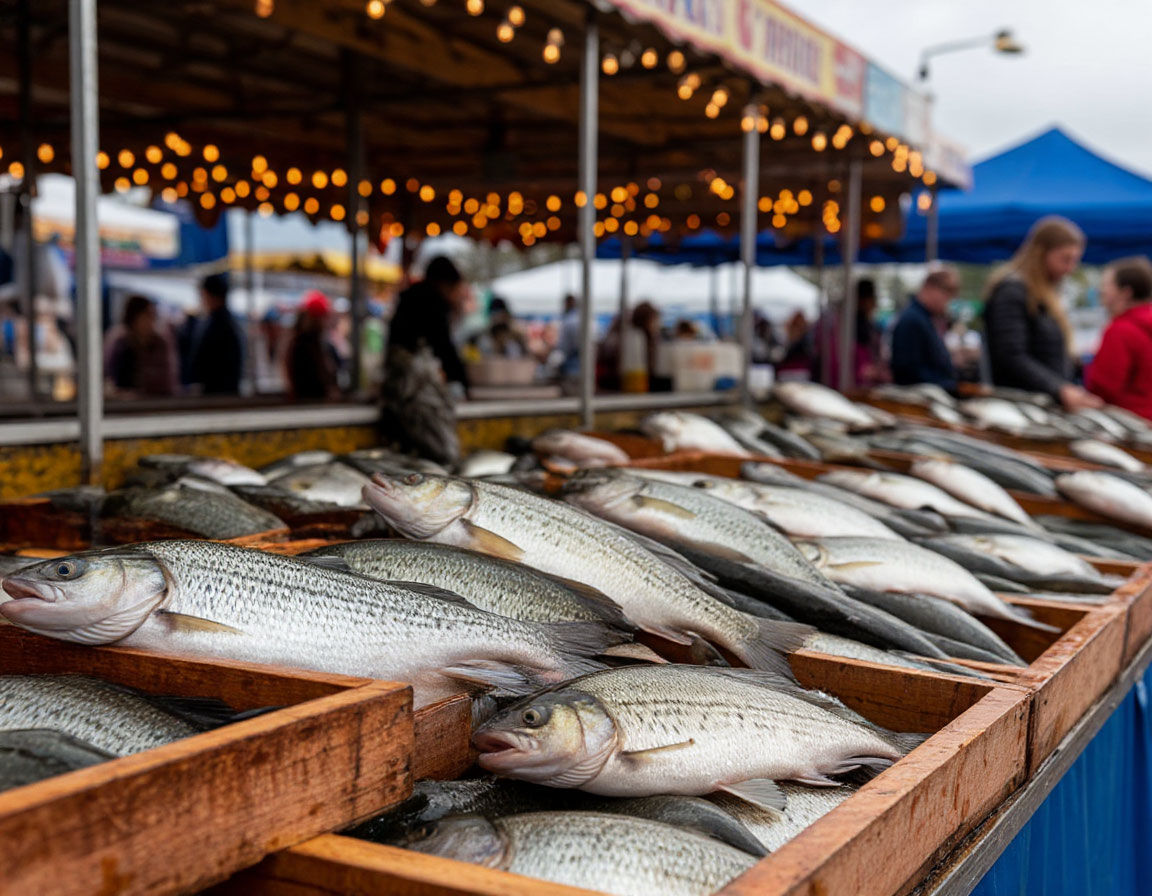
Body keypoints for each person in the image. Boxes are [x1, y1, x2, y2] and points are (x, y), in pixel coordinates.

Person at [983, 216, 1101, 410]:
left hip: (1041, 403)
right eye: (1065, 259)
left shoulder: (1040, 294)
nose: (1070, 268)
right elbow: (1011, 355)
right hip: (1022, 405)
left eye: (1074, 261)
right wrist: (1059, 389)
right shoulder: (1012, 292)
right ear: (1041, 253)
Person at [387, 256, 471, 395]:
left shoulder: (412, 296)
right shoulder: (432, 303)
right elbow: (444, 347)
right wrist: (464, 382)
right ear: (444, 284)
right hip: (411, 381)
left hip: (398, 377)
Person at [1084, 257, 1152, 418]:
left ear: (1125, 292)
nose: (1100, 291)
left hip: (1131, 422)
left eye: (1106, 285)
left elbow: (1102, 388)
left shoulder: (1120, 330)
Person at [890, 267, 961, 391]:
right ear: (930, 288)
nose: (948, 302)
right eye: (947, 293)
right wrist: (948, 385)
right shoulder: (912, 319)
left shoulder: (923, 318)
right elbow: (908, 372)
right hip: (919, 396)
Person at [106, 294, 178, 396]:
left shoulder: (160, 343)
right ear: (134, 317)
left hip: (154, 400)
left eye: (153, 315)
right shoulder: (119, 342)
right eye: (146, 315)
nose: (151, 320)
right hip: (123, 401)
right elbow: (110, 377)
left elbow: (168, 379)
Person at [188, 273, 243, 395]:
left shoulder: (217, 325)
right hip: (225, 393)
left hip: (217, 394)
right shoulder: (228, 323)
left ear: (207, 294)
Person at [286, 290, 340, 401]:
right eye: (322, 317)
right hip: (309, 402)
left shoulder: (313, 341)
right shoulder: (303, 344)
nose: (325, 321)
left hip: (311, 401)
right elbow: (311, 380)